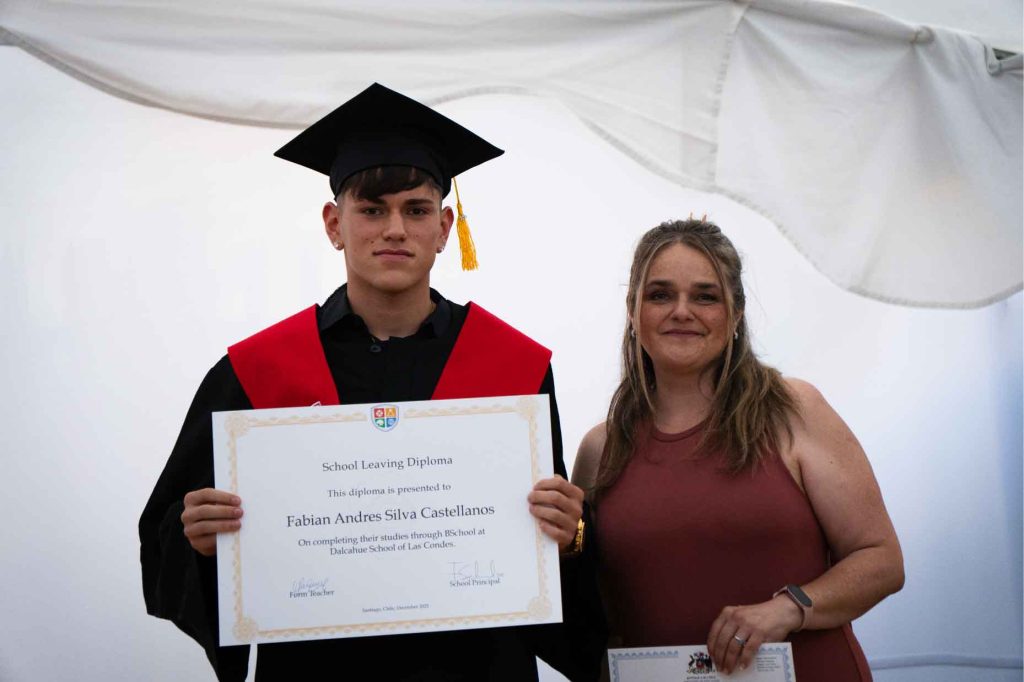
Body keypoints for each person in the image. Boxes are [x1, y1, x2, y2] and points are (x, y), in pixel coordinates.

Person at [140, 83, 604, 681]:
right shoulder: (255, 372)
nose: (395, 229)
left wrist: (570, 535)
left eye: (416, 210)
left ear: (445, 227)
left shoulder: (514, 367)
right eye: (372, 210)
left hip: (476, 668)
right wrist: (200, 540)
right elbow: (166, 542)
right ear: (334, 224)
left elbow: (549, 548)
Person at [572, 218, 904, 680]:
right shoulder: (600, 450)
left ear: (736, 313)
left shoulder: (793, 410)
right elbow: (593, 606)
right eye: (660, 295)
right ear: (633, 311)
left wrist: (790, 607)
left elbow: (882, 560)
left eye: (705, 296)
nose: (681, 311)